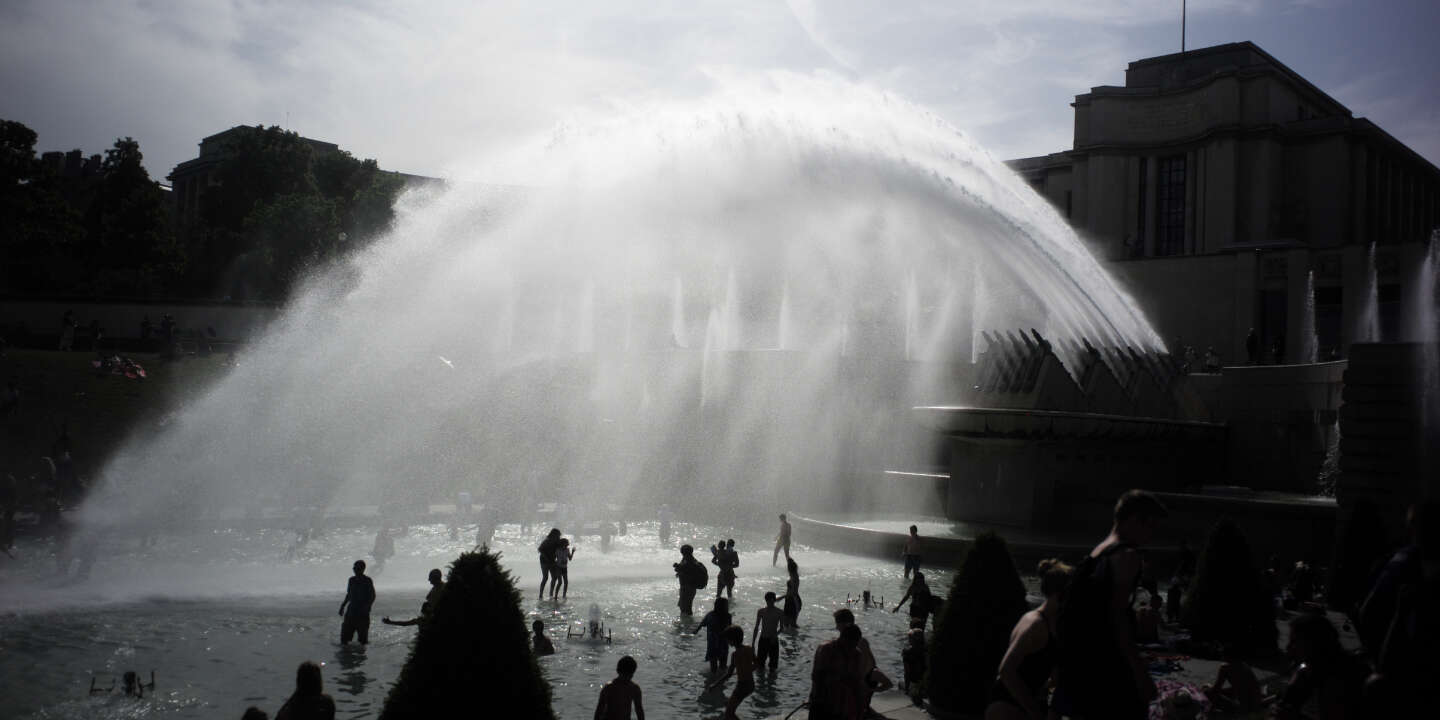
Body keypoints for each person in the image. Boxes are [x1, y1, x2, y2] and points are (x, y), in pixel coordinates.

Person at [1054, 489, 1168, 720]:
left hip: (1081, 664)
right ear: (1135, 520)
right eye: (1151, 527)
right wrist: (1140, 673)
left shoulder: (1097, 553)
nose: (1152, 536)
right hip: (1108, 666)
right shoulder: (1128, 556)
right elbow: (1116, 618)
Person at [986, 558, 1073, 720]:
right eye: (1071, 594)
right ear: (1057, 594)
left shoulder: (1052, 623)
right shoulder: (1035, 624)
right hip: (1006, 709)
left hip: (1023, 707)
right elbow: (1006, 670)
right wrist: (1034, 711)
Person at [1274, 613, 1366, 720]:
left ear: (1314, 644)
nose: (1288, 647)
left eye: (1295, 641)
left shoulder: (1340, 679)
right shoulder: (1309, 670)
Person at [808, 623, 865, 720]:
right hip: (822, 702)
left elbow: (857, 682)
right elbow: (817, 677)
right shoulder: (826, 649)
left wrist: (859, 707)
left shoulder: (857, 654)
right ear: (842, 638)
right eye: (851, 644)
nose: (852, 648)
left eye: (855, 644)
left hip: (843, 705)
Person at [706, 625, 756, 720]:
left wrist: (714, 685)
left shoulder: (735, 655)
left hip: (742, 687)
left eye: (728, 640)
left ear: (732, 640)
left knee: (729, 714)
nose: (727, 642)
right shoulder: (749, 649)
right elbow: (757, 664)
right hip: (750, 685)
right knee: (728, 705)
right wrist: (748, 670)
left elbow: (728, 675)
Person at [1201, 644, 1266, 715]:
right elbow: (1241, 686)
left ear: (1226, 655)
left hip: (1242, 709)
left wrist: (1210, 708)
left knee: (1206, 692)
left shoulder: (1225, 668)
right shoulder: (1243, 664)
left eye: (1222, 653)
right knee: (1223, 691)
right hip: (1256, 705)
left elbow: (1216, 690)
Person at [594, 655, 645, 720]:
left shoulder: (634, 689)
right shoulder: (609, 688)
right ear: (618, 671)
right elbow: (599, 710)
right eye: (625, 675)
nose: (627, 678)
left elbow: (639, 711)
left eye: (629, 675)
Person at [338, 560, 376, 645]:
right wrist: (342, 606)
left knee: (362, 641)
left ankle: (360, 656)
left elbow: (372, 595)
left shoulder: (367, 580)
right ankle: (346, 657)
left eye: (357, 568)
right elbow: (349, 594)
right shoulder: (351, 580)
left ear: (362, 569)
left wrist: (368, 606)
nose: (354, 569)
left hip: (362, 613)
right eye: (354, 568)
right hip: (351, 611)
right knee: (344, 639)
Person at [693, 597, 732, 673]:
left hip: (713, 643)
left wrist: (696, 631)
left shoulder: (710, 615)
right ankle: (722, 681)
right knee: (723, 666)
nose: (727, 606)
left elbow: (702, 624)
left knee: (713, 668)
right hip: (723, 643)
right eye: (726, 605)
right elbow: (730, 629)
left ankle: (713, 680)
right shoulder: (727, 616)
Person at [752, 591, 785, 671]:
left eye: (771, 600)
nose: (769, 602)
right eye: (767, 600)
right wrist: (753, 643)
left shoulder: (780, 612)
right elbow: (756, 627)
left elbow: (781, 628)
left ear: (774, 600)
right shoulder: (761, 611)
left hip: (773, 640)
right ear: (765, 600)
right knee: (760, 665)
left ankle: (771, 682)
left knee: (773, 667)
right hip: (763, 638)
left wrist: (775, 635)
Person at [674, 544, 708, 615]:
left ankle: (687, 624)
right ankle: (686, 622)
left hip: (688, 588)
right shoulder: (688, 559)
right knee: (683, 607)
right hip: (688, 588)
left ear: (683, 552)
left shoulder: (689, 562)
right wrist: (679, 570)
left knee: (686, 608)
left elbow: (688, 573)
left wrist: (679, 569)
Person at [901, 627, 926, 698]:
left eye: (909, 638)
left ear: (912, 640)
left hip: (914, 681)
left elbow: (907, 672)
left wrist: (906, 689)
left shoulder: (907, 652)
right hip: (924, 682)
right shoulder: (927, 650)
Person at [538, 528, 562, 599]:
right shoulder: (547, 541)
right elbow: (540, 549)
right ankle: (540, 594)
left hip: (552, 561)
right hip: (544, 560)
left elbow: (560, 550)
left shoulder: (557, 542)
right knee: (545, 577)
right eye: (557, 535)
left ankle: (551, 593)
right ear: (553, 535)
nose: (558, 537)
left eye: (559, 535)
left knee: (554, 577)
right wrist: (547, 558)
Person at [782, 557, 802, 629]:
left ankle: (794, 639)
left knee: (792, 624)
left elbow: (793, 592)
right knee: (786, 624)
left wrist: (781, 597)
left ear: (789, 568)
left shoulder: (794, 577)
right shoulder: (793, 576)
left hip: (794, 601)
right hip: (789, 600)